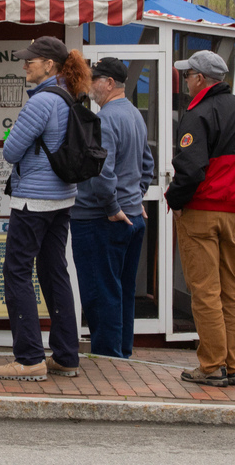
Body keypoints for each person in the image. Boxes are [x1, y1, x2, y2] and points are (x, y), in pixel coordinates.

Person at [165, 50, 235, 388]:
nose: (185, 80)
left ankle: (212, 365)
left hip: (202, 210)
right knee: (230, 290)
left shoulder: (198, 113)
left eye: (188, 75)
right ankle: (232, 362)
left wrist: (175, 200)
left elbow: (191, 167)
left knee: (205, 291)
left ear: (200, 79)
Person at [0, 36, 90, 381]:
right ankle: (65, 355)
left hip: (33, 199)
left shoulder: (41, 102)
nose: (24, 65)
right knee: (54, 271)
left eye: (30, 61)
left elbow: (10, 151)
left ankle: (29, 357)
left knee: (16, 272)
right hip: (63, 197)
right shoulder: (69, 96)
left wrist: (12, 136)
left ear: (49, 65)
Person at [71, 57, 154, 358]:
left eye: (94, 79)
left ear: (108, 83)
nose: (90, 85)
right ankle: (122, 354)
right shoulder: (134, 114)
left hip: (101, 218)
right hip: (131, 216)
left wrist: (111, 205)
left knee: (100, 292)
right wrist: (135, 198)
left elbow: (101, 170)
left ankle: (108, 358)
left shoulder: (105, 119)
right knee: (122, 292)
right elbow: (148, 164)